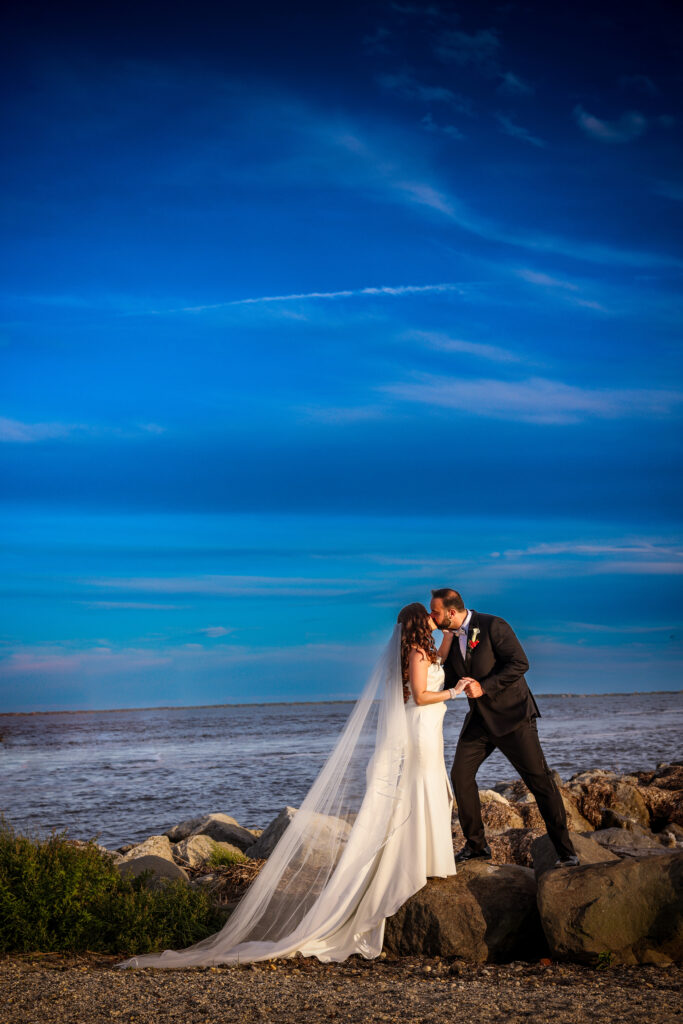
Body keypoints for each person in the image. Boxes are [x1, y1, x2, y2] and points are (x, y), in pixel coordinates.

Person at [116, 603, 463, 970]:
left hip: (428, 733)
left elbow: (437, 661)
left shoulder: (424, 652)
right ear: (416, 622)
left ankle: (428, 857)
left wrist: (451, 635)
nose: (433, 617)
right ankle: (413, 862)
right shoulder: (413, 653)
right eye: (429, 615)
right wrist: (456, 692)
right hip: (420, 733)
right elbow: (423, 696)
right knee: (418, 791)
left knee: (425, 791)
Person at [429, 588, 579, 870]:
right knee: (460, 776)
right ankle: (476, 846)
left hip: (513, 718)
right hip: (480, 721)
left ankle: (566, 852)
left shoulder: (492, 625)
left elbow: (520, 663)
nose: (432, 617)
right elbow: (447, 677)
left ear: (451, 612)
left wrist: (483, 687)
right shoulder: (450, 638)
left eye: (435, 612)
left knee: (540, 783)